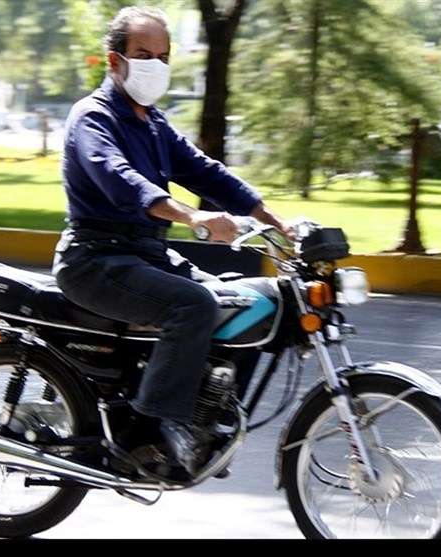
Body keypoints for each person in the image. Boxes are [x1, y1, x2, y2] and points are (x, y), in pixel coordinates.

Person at [53, 5, 294, 476]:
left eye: (163, 57)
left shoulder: (154, 124)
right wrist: (193, 216)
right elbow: (121, 181)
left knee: (250, 303)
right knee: (193, 305)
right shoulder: (92, 118)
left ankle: (207, 422)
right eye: (144, 55)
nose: (156, 66)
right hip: (95, 259)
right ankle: (142, 436)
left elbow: (207, 173)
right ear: (115, 60)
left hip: (145, 255)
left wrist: (276, 221)